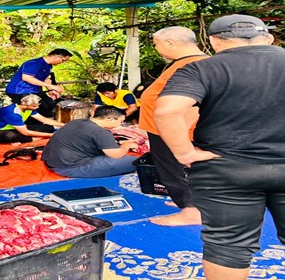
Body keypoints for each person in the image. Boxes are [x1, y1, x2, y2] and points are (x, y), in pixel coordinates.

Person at [155, 14, 285, 280]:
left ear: (214, 41)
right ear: (269, 38)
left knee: (228, 246)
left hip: (225, 169)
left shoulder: (201, 69)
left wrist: (184, 153)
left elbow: (167, 111)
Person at [138, 26, 208, 226]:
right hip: (166, 126)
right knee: (180, 167)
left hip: (172, 128)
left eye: (156, 44)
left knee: (174, 168)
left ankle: (191, 210)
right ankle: (192, 203)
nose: (156, 48)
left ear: (170, 43)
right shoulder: (190, 62)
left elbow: (194, 103)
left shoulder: (193, 65)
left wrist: (179, 131)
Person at [41, 105, 138, 178]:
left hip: (52, 162)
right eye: (121, 121)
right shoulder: (100, 131)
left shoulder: (77, 122)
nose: (120, 124)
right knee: (136, 162)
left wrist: (120, 143)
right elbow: (116, 155)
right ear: (110, 119)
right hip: (71, 168)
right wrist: (127, 145)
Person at [5, 49, 72, 118]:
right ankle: (29, 122)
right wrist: (52, 86)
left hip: (34, 91)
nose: (63, 62)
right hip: (19, 91)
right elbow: (27, 78)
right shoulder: (33, 63)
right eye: (63, 60)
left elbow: (45, 79)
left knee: (50, 104)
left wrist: (51, 90)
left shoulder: (48, 66)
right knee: (42, 108)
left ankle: (42, 120)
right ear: (57, 57)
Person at [0, 94, 64, 144]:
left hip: (14, 128)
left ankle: (26, 139)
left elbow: (44, 119)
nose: (37, 107)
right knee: (10, 136)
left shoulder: (29, 109)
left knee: (47, 128)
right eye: (34, 106)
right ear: (24, 105)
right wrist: (52, 135)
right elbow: (26, 132)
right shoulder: (12, 113)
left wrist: (64, 125)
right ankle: (33, 139)